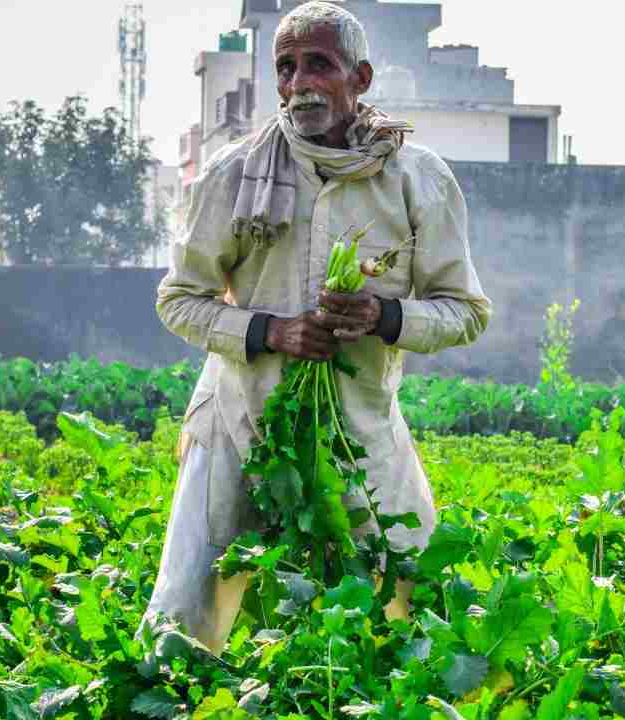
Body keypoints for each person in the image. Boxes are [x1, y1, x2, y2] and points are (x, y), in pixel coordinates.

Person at [141, 1, 491, 655]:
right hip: (238, 421)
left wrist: (385, 317)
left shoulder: (416, 178)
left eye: (319, 65)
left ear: (359, 78)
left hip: (361, 427)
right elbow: (179, 300)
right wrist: (269, 332)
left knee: (410, 606)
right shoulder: (234, 175)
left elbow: (465, 309)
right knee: (185, 617)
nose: (300, 83)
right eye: (287, 66)